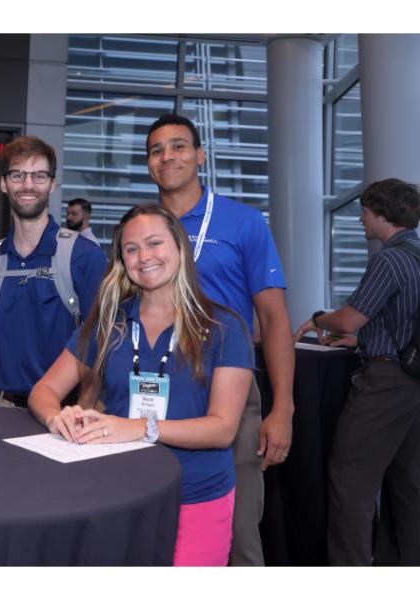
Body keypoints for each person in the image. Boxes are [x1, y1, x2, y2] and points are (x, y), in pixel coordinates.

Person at [29, 204, 253, 566]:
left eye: (154, 243)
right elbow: (44, 391)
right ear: (123, 261)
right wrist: (58, 417)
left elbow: (223, 429)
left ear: (179, 247)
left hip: (195, 496)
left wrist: (139, 428)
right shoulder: (109, 323)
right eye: (131, 249)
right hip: (117, 493)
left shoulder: (224, 328)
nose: (144, 256)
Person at [145, 113, 294, 565]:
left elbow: (274, 319)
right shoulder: (143, 228)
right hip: (154, 391)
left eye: (178, 146)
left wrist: (283, 408)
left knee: (238, 533)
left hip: (227, 389)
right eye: (156, 150)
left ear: (200, 155)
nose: (167, 157)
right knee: (155, 529)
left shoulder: (243, 222)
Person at [295, 178, 420, 565]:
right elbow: (402, 322)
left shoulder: (390, 259)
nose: (361, 219)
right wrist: (362, 340)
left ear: (382, 213)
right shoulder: (416, 254)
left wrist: (319, 319)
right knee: (407, 484)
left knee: (350, 476)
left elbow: (349, 318)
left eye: (364, 211)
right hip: (413, 380)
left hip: (384, 384)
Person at [0, 136, 107, 408]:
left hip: (64, 409)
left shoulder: (84, 256)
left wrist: (82, 412)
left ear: (52, 184)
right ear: (4, 183)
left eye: (39, 176)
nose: (28, 185)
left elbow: (101, 342)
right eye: (18, 175)